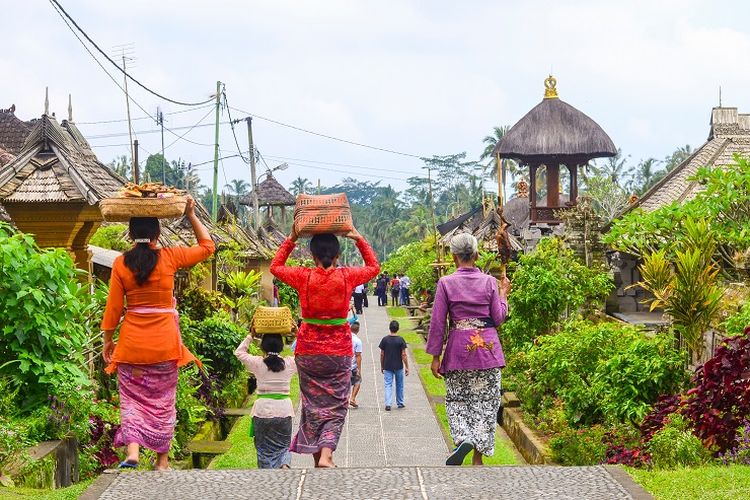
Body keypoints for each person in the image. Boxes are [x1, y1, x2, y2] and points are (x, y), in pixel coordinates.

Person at [101, 197, 214, 471]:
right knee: (163, 403)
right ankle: (162, 462)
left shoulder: (120, 263)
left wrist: (107, 340)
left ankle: (133, 451)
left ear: (130, 234)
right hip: (164, 345)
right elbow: (207, 247)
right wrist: (191, 215)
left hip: (131, 347)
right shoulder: (170, 257)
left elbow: (114, 307)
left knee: (131, 399)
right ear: (158, 234)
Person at [271, 228, 379, 468]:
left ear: (312, 256)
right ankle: (327, 454)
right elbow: (373, 267)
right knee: (337, 404)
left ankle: (318, 457)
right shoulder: (346, 276)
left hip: (308, 350)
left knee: (312, 405)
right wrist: (359, 238)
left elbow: (275, 267)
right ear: (338, 255)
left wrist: (291, 240)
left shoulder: (304, 276)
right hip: (338, 351)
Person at [427, 233, 510, 466]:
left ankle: (464, 437)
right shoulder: (489, 282)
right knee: (486, 402)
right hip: (488, 350)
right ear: (476, 255)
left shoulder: (445, 283)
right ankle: (477, 457)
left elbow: (438, 322)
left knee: (457, 400)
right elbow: (498, 317)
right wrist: (504, 295)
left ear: (454, 257)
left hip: (457, 351)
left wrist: (436, 357)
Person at [234, 333, 296, 469]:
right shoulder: (290, 363)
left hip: (262, 411)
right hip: (284, 410)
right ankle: (284, 464)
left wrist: (250, 336)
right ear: (281, 346)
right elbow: (304, 355)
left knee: (263, 450)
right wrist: (298, 334)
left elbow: (239, 352)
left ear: (263, 346)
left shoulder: (257, 363)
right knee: (284, 445)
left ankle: (267, 477)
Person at [379, 320, 409, 411]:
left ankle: (388, 403)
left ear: (390, 328)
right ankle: (400, 402)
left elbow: (382, 354)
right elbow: (403, 354)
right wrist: (407, 366)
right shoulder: (401, 340)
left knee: (388, 384)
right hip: (398, 365)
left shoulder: (385, 339)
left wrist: (382, 365)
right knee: (399, 384)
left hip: (387, 365)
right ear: (398, 329)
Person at [349, 322, 363, 408]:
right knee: (358, 381)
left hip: (344, 365)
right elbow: (358, 356)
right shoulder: (358, 341)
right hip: (353, 365)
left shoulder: (345, 338)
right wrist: (359, 369)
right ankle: (353, 398)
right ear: (358, 330)